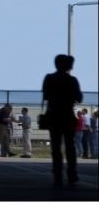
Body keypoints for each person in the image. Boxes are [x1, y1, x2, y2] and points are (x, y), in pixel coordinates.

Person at [42, 54, 83, 187]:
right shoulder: (72, 80)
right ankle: (72, 174)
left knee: (55, 146)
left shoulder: (49, 78)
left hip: (54, 116)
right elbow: (79, 97)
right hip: (67, 116)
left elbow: (46, 96)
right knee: (70, 147)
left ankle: (57, 175)